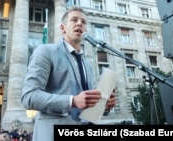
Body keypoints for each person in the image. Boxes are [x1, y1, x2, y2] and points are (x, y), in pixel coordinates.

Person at [21, 6, 117, 141]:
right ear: (62, 28)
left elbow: (85, 106)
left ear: (86, 30)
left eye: (83, 22)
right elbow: (29, 97)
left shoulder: (88, 66)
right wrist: (72, 101)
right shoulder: (45, 51)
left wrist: (103, 106)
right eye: (74, 20)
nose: (79, 23)